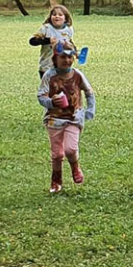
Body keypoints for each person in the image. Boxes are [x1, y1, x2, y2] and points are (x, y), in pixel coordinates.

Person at [39, 42, 96, 194]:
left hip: (74, 118)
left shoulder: (77, 75)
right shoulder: (49, 76)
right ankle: (56, 180)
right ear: (55, 58)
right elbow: (41, 96)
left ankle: (75, 167)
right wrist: (51, 102)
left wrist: (90, 110)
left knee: (70, 149)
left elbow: (89, 92)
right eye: (63, 57)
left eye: (70, 57)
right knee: (57, 154)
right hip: (54, 119)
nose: (67, 60)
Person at [29, 6, 75, 78]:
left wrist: (75, 51)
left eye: (60, 15)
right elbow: (32, 41)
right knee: (48, 85)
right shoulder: (46, 28)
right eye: (54, 14)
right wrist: (48, 40)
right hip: (47, 66)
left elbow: (70, 42)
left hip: (63, 67)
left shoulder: (68, 29)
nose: (57, 16)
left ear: (65, 18)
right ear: (50, 17)